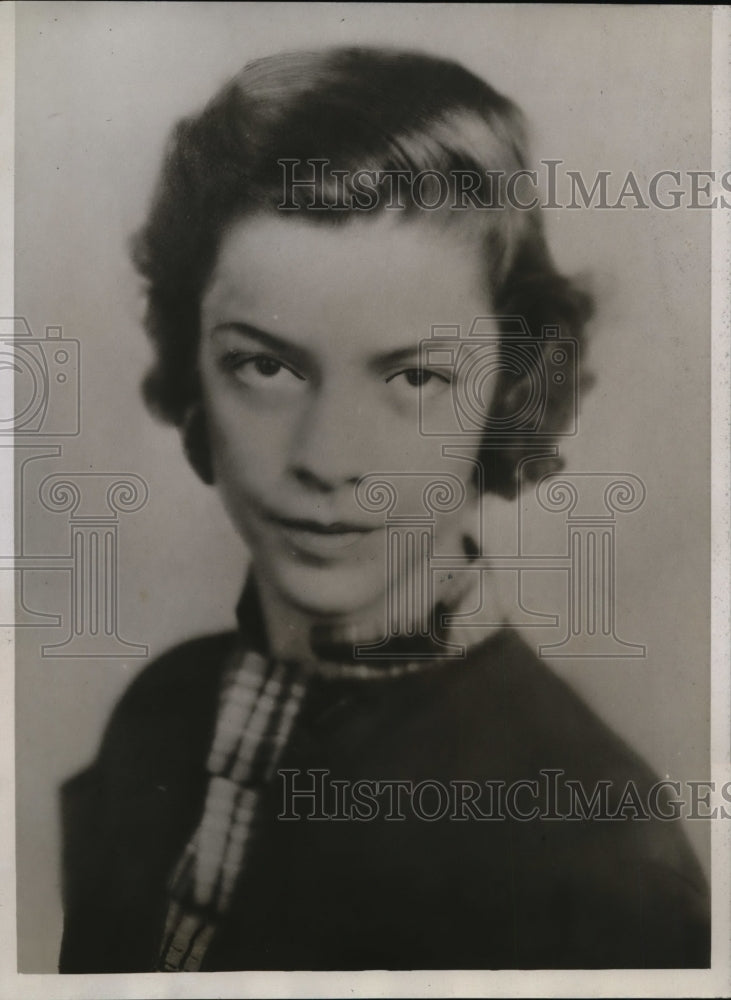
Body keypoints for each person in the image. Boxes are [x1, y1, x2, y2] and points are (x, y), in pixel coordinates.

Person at [58, 46, 710, 973]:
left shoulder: (593, 855)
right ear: (192, 366)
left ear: (507, 387)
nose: (327, 459)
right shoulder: (157, 721)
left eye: (412, 375)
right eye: (267, 365)